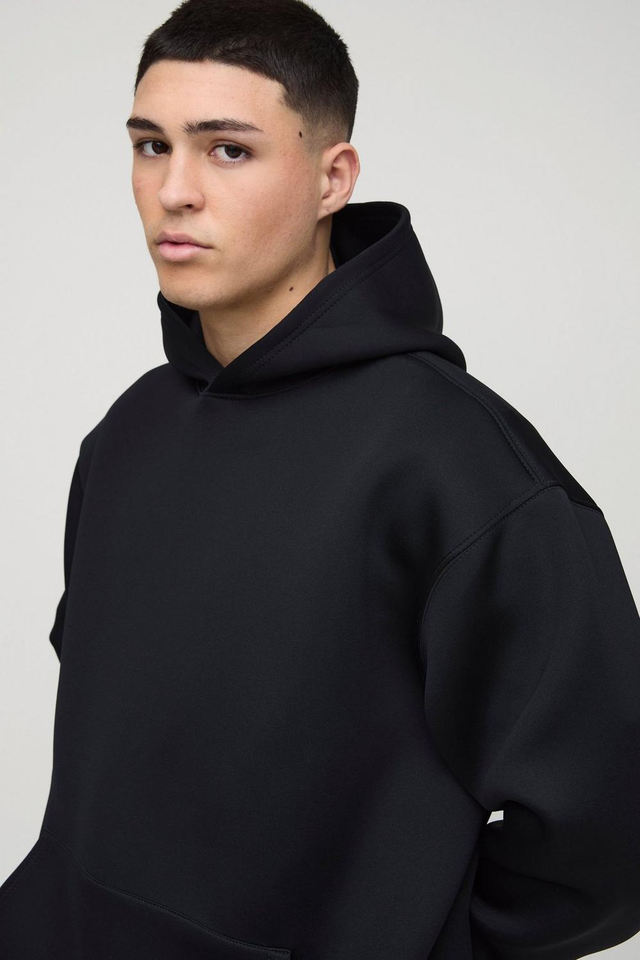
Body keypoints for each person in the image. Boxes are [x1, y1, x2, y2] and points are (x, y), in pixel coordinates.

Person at [1, 1, 639, 957]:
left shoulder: (459, 467)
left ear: (333, 178)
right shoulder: (130, 432)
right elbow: (116, 762)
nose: (174, 190)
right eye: (150, 145)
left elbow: (610, 838)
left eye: (228, 150)